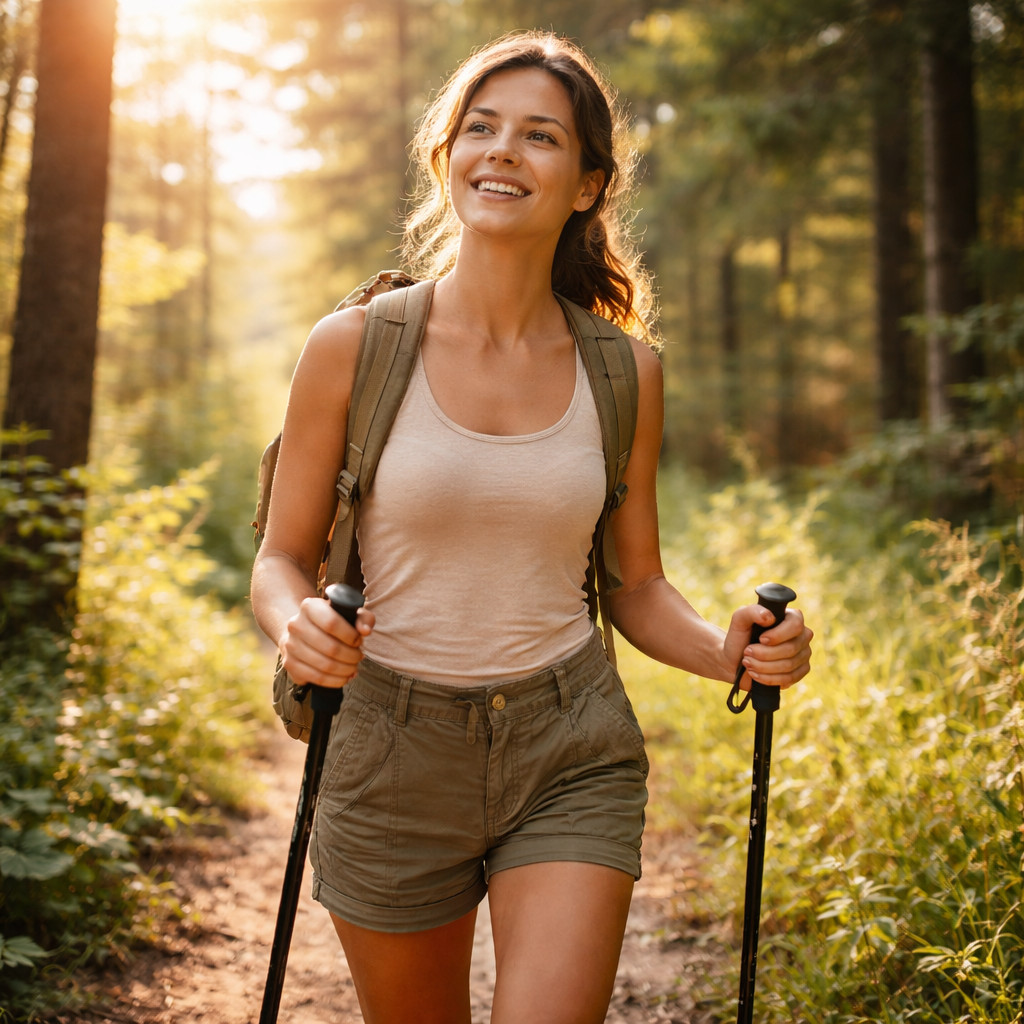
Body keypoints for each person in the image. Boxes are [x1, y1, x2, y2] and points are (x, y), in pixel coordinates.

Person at [251, 30, 813, 1024]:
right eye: (481, 127)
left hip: (569, 744)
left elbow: (634, 585)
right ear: (446, 156)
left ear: (589, 183)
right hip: (388, 744)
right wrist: (296, 620)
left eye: (539, 136)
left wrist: (729, 652)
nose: (503, 151)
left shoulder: (624, 371)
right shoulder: (353, 348)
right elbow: (281, 559)